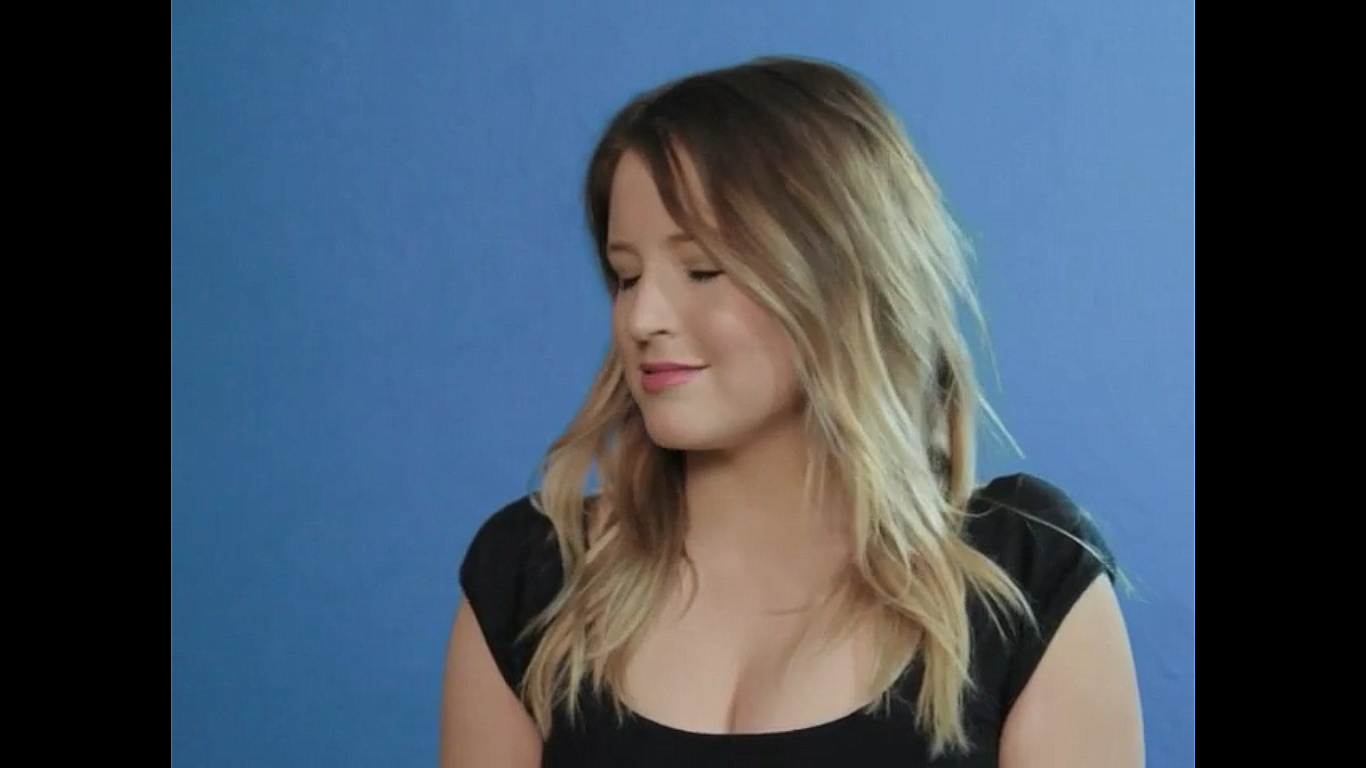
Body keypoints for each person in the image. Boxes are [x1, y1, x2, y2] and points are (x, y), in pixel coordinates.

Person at [439, 55, 1144, 767]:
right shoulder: (532, 579)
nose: (642, 317)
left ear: (843, 279)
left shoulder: (1027, 581)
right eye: (627, 275)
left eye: (701, 270)